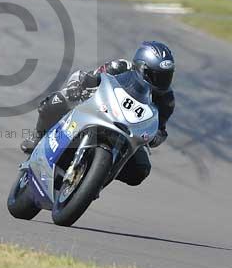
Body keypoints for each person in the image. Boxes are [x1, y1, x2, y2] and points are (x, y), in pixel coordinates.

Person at [19, 41, 176, 187]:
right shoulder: (119, 67)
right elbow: (86, 77)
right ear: (141, 67)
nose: (162, 81)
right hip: (98, 111)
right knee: (57, 100)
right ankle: (38, 137)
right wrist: (78, 87)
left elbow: (159, 129)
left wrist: (155, 136)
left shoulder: (166, 101)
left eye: (166, 76)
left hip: (128, 132)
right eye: (156, 75)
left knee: (141, 170)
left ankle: (94, 180)